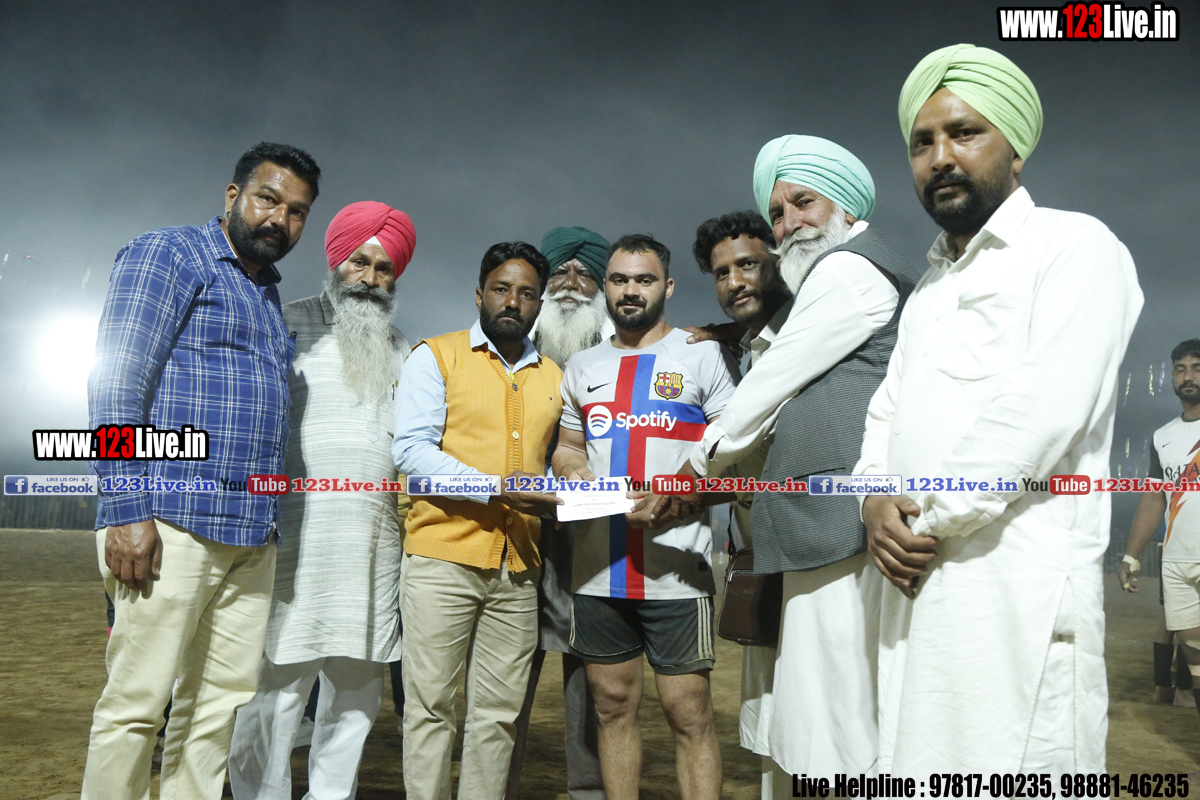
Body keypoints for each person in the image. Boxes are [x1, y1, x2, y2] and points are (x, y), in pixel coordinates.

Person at [856, 44, 1143, 773]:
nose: (941, 157)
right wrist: (872, 498)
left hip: (1014, 591)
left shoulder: (1074, 245)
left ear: (1015, 148)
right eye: (922, 143)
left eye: (965, 133)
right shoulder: (928, 288)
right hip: (914, 585)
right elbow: (887, 411)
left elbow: (1043, 409)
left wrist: (924, 517)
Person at [83, 142, 321, 800]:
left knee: (216, 713)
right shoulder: (170, 254)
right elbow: (115, 385)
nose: (279, 219)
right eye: (268, 199)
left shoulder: (265, 292)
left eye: (297, 211)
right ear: (232, 196)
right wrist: (126, 510)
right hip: (169, 522)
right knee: (136, 706)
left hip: (249, 536)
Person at [228, 201, 417, 799]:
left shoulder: (403, 349)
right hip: (293, 542)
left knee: (356, 697)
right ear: (336, 262)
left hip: (371, 548)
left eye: (383, 269)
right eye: (359, 262)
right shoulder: (283, 325)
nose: (369, 278)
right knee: (274, 692)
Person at [552, 234, 737, 800]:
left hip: (678, 569)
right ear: (605, 288)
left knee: (689, 711)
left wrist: (686, 490)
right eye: (619, 280)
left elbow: (732, 451)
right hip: (597, 569)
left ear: (668, 286)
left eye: (644, 279)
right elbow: (568, 446)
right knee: (610, 706)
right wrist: (570, 467)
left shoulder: (702, 354)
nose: (630, 290)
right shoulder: (582, 364)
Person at [392, 241, 563, 800]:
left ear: (539, 304)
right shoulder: (435, 356)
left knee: (498, 716)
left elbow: (556, 462)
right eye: (501, 289)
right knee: (429, 709)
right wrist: (497, 487)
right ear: (479, 294)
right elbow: (411, 452)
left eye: (527, 293)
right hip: (441, 561)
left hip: (519, 571)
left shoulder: (555, 376)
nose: (512, 302)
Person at [507, 226, 613, 800]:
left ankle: (588, 790)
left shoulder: (622, 353)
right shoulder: (510, 346)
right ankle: (495, 787)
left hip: (593, 536)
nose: (571, 283)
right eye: (561, 272)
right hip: (517, 529)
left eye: (585, 274)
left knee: (591, 674)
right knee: (507, 672)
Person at [1118, 340, 1200, 717]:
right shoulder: (1162, 436)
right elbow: (1153, 499)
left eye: (1197, 367)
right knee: (1195, 658)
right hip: (1179, 561)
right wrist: (1131, 556)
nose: (1188, 376)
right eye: (1181, 369)